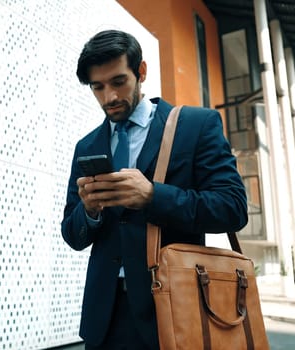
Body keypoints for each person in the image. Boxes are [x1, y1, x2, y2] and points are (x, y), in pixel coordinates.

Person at [61, 29, 248, 349]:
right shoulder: (87, 145)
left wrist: (152, 195)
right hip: (104, 317)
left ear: (141, 72)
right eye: (98, 87)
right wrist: (89, 211)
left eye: (119, 81)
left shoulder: (196, 125)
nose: (109, 97)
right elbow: (72, 234)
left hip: (175, 309)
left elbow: (232, 208)